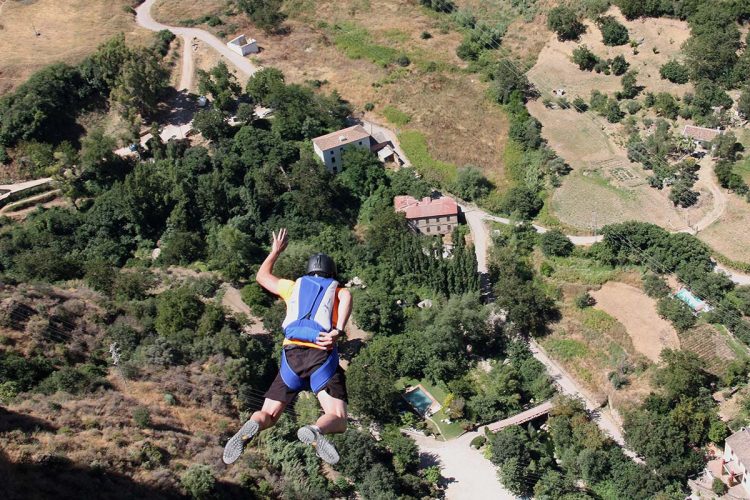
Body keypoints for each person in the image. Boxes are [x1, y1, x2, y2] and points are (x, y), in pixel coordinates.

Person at [223, 228, 352, 465]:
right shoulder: (337, 290)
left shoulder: (293, 287)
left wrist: (275, 252)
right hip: (320, 357)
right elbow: (346, 298)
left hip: (291, 357)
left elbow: (262, 277)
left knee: (270, 415)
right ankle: (315, 430)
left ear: (309, 271)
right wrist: (338, 331)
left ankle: (254, 424)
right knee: (337, 417)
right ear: (332, 274)